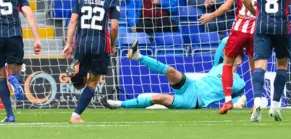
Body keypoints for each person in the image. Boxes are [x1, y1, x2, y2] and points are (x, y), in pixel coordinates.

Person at [199, 0, 268, 114]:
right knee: (255, 68)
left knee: (228, 64)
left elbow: (226, 6)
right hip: (257, 32)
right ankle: (256, 102)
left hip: (238, 30)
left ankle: (228, 101)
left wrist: (211, 16)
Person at [100, 37, 246, 110]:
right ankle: (139, 56)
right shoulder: (219, 65)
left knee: (158, 98)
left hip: (194, 101)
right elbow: (223, 42)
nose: (228, 54)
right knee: (170, 71)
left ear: (239, 61)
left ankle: (119, 104)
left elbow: (234, 100)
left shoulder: (239, 82)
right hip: (191, 85)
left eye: (234, 54)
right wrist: (237, 37)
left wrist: (239, 103)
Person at [62, 0, 119, 123]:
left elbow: (73, 21)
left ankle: (77, 73)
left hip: (82, 43)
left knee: (81, 83)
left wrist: (68, 44)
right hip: (101, 44)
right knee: (93, 82)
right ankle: (76, 115)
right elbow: (114, 27)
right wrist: (113, 44)